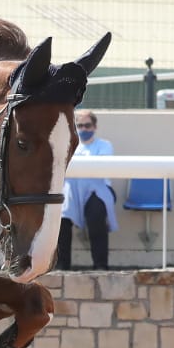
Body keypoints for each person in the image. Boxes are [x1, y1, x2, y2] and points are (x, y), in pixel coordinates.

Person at [57, 110, 117, 270]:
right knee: (61, 219)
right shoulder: (69, 145)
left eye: (87, 125)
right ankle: (62, 266)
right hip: (72, 190)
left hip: (98, 190)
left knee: (96, 217)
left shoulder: (104, 145)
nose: (84, 129)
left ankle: (100, 266)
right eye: (80, 126)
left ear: (94, 126)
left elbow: (102, 169)